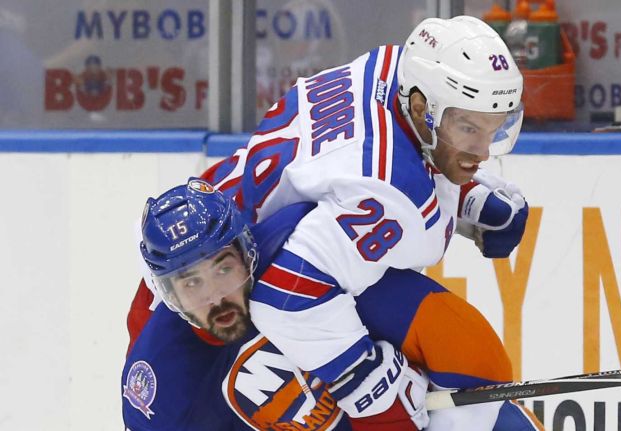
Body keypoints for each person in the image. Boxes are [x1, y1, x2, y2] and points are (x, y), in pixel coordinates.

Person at [197, 15, 535, 429]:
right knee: (466, 354)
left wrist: (465, 195)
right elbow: (287, 297)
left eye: (494, 129)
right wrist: (368, 380)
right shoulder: (389, 192)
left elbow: (363, 160)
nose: (483, 152)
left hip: (228, 243)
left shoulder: (395, 68)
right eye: (468, 128)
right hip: (222, 310)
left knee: (460, 347)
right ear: (420, 106)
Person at [123, 179, 541, 430]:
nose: (214, 296)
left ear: (247, 249)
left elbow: (479, 359)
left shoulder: (306, 262)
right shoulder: (161, 380)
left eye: (222, 268)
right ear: (169, 295)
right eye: (190, 282)